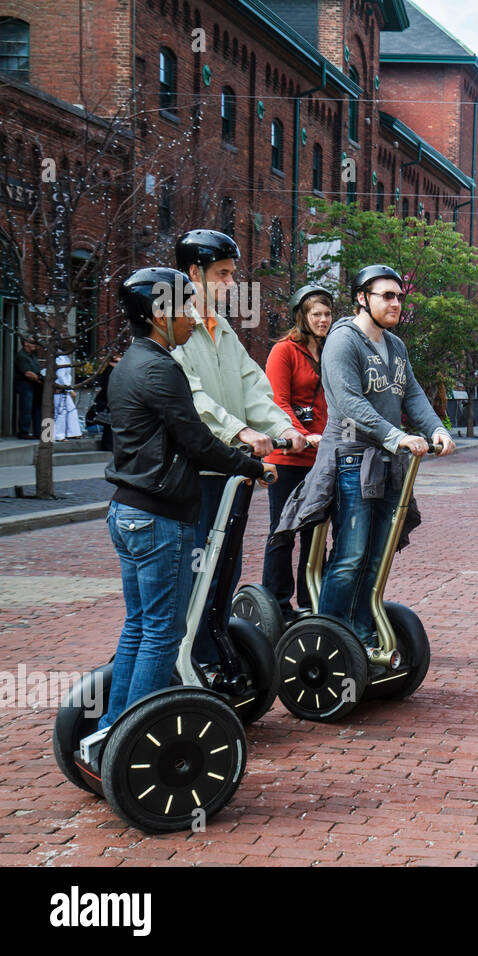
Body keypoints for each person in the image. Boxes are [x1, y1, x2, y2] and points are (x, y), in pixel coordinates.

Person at [97, 267, 271, 731]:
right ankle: (135, 734)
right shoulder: (162, 368)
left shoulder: (129, 362)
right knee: (164, 632)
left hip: (126, 511)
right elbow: (197, 441)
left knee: (139, 625)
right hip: (159, 517)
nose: (193, 319)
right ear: (159, 314)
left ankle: (113, 727)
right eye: (185, 308)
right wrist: (253, 466)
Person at [272, 265, 455, 649]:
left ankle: (362, 634)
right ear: (361, 298)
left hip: (389, 461)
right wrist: (397, 435)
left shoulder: (395, 345)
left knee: (377, 554)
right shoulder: (344, 340)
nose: (395, 303)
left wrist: (437, 429)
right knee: (351, 554)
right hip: (352, 458)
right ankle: (329, 640)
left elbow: (413, 395)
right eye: (386, 295)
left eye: (399, 296)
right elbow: (349, 402)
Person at [171, 229, 305, 667]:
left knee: (224, 569)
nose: (232, 283)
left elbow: (252, 386)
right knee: (197, 571)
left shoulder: (221, 327)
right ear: (195, 273)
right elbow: (190, 396)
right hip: (195, 473)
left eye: (232, 274)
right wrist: (240, 432)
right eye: (223, 274)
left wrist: (287, 427)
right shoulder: (174, 327)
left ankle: (212, 653)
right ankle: (188, 659)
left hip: (230, 469)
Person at [260, 284, 331, 616]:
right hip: (288, 455)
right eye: (315, 314)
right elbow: (278, 401)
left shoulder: (330, 351)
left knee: (315, 532)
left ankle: (310, 598)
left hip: (321, 456)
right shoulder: (284, 351)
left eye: (327, 313)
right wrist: (302, 434)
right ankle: (276, 602)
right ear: (301, 316)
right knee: (284, 529)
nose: (322, 320)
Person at [14, 336, 41, 439]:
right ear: (26, 343)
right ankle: (23, 432)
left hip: (35, 385)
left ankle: (38, 432)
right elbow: (28, 373)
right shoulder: (22, 356)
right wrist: (39, 379)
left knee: (37, 408)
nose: (34, 344)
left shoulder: (33, 355)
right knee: (26, 408)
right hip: (25, 384)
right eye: (32, 342)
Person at [52, 352, 83, 440]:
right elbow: (61, 376)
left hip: (64, 387)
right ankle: (59, 435)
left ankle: (73, 432)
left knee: (71, 410)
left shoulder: (65, 358)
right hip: (60, 388)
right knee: (60, 412)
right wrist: (69, 389)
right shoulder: (60, 359)